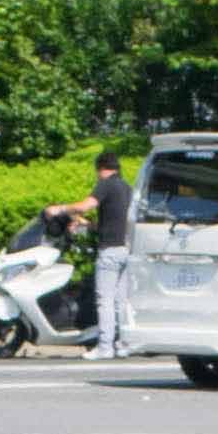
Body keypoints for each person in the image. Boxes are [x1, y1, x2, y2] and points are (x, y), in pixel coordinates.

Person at [85, 147, 134, 359]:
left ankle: (105, 346)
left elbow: (88, 204)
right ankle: (123, 344)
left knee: (104, 299)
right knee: (120, 300)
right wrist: (89, 225)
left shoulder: (105, 185)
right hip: (126, 249)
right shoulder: (126, 187)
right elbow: (115, 221)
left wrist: (63, 209)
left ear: (101, 169)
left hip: (110, 251)